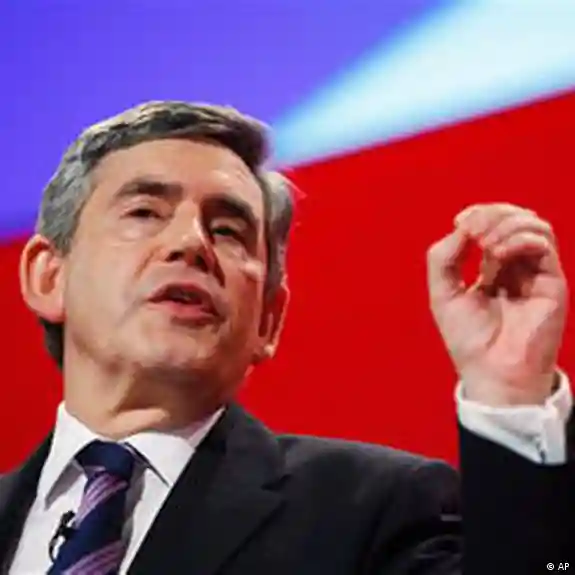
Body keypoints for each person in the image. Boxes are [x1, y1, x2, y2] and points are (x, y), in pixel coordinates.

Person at [0, 101, 572, 575]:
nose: (190, 243)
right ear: (49, 277)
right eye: (145, 212)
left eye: (228, 230)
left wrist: (510, 393)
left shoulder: (374, 510)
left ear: (268, 321)